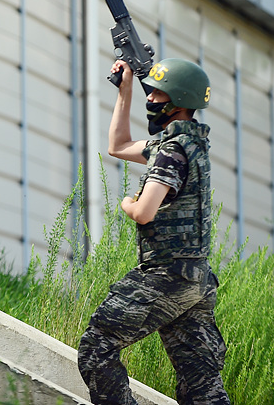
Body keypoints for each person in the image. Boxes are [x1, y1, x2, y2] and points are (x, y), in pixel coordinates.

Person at [77, 58, 230, 404]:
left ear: (178, 101)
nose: (152, 100)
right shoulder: (190, 145)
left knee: (97, 344)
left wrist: (127, 205)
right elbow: (118, 146)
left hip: (166, 274)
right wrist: (125, 90)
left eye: (158, 94)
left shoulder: (170, 152)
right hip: (197, 280)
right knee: (201, 383)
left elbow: (144, 212)